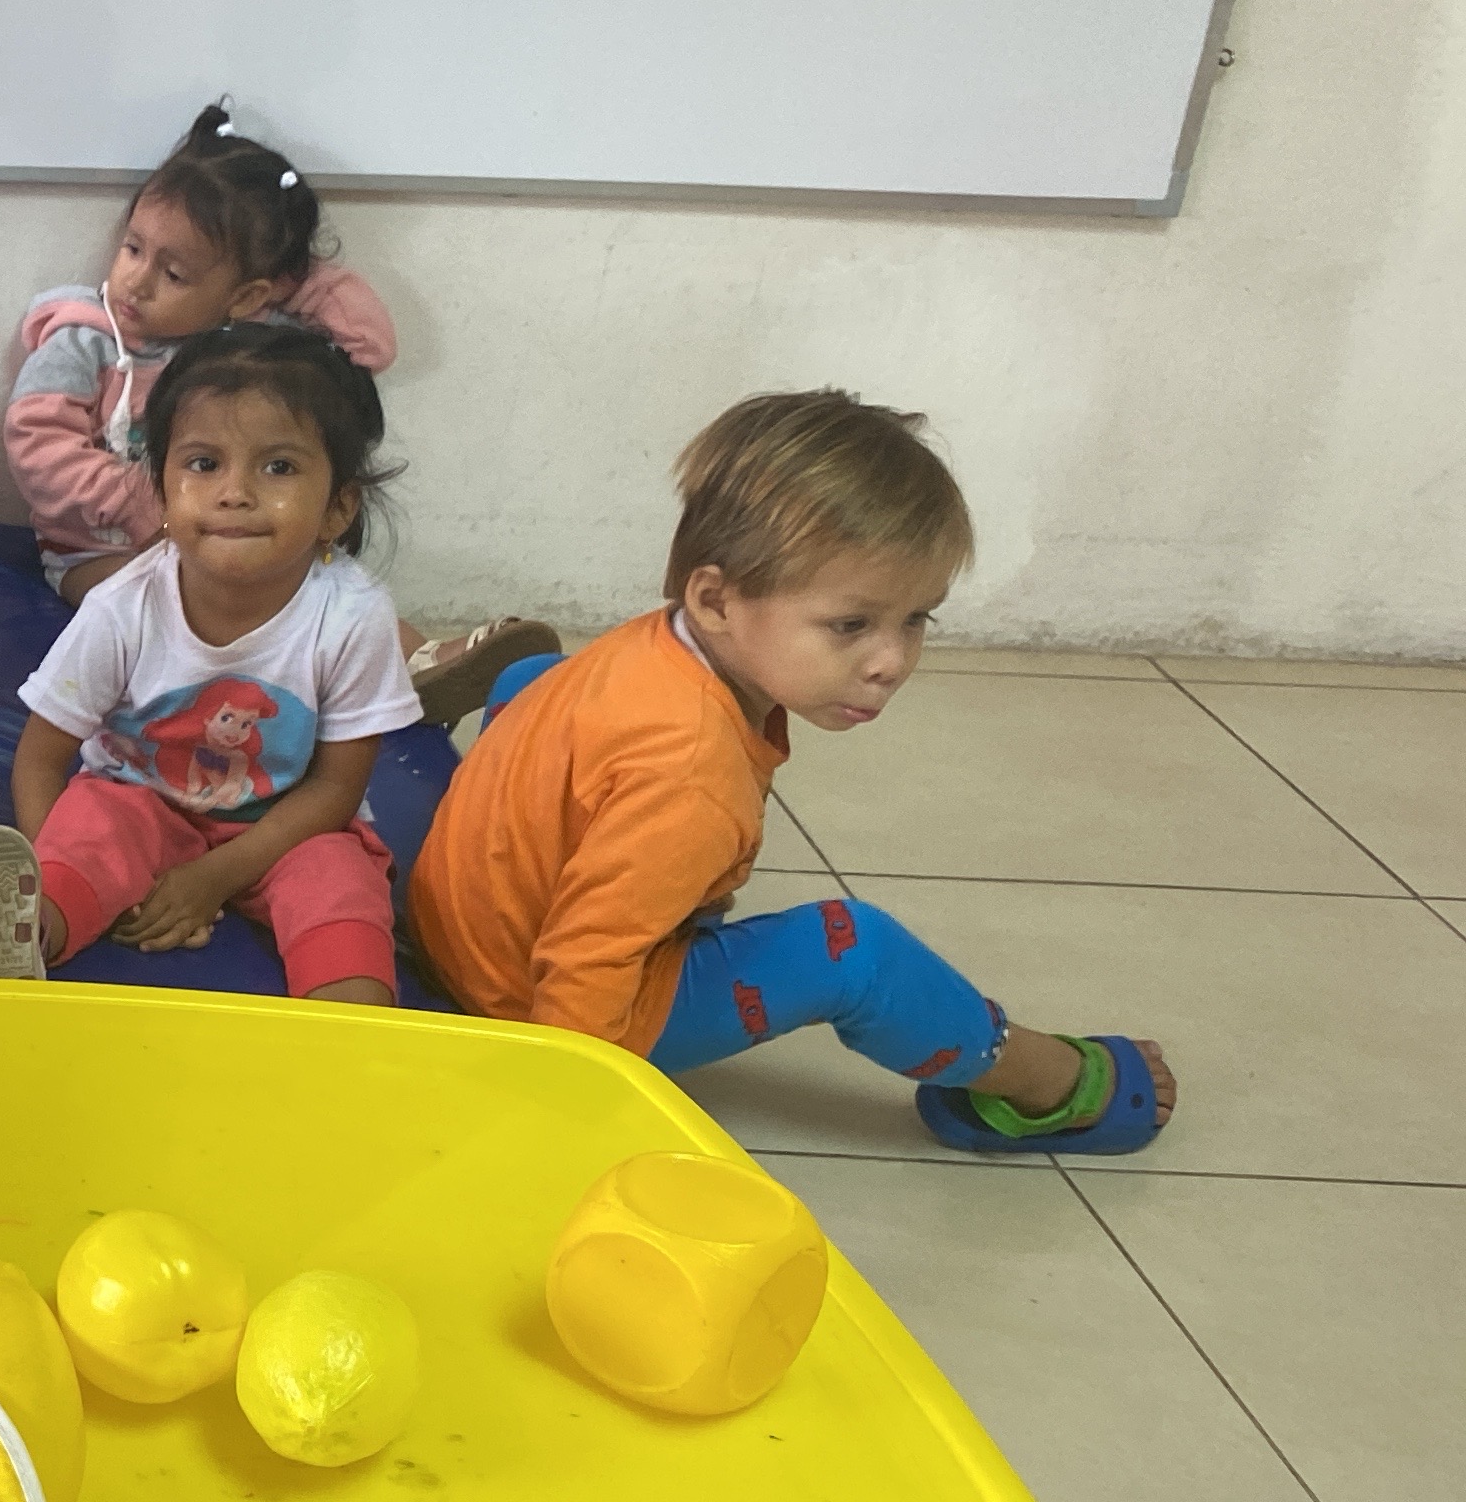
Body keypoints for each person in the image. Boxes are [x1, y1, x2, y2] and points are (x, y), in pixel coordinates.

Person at [411, 389, 1177, 1151]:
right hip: (528, 1007)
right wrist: (565, 1114)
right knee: (852, 952)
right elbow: (587, 960)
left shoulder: (655, 645)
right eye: (851, 625)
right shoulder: (689, 777)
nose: (891, 661)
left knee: (536, 678)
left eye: (915, 619)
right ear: (716, 600)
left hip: (457, 930)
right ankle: (1045, 1085)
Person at [4, 102, 552, 720]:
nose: (137, 281)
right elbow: (37, 447)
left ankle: (420, 662)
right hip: (98, 550)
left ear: (246, 294)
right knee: (168, 601)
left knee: (322, 579)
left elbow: (369, 344)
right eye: (133, 249)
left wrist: (285, 278)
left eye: (175, 273)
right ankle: (298, 681)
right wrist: (145, 503)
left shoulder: (249, 346)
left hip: (227, 530)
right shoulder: (84, 340)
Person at [0, 321, 416, 999]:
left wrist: (211, 879)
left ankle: (356, 1027)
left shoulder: (354, 616)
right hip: (142, 805)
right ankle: (27, 934)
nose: (235, 492)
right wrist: (54, 866)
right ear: (161, 493)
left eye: (279, 467)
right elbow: (41, 758)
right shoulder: (123, 607)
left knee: (340, 883)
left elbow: (335, 789)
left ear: (337, 508)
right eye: (204, 464)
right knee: (95, 827)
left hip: (285, 828)